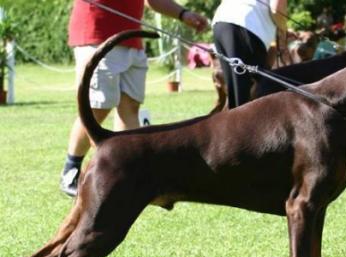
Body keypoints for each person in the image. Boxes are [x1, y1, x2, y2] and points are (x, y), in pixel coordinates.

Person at [60, 0, 208, 197]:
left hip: (132, 39)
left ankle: (127, 171)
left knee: (130, 108)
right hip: (95, 34)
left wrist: (183, 14)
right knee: (97, 107)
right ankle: (71, 170)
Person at [212, 0, 291, 109]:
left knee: (236, 95)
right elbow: (277, 9)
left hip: (221, 22)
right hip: (248, 24)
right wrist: (283, 31)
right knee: (254, 93)